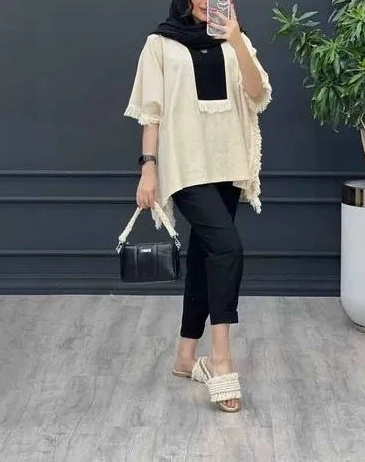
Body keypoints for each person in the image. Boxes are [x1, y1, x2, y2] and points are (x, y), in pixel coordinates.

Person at [124, 0, 272, 412]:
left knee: (206, 256)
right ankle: (220, 359)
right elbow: (151, 114)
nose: (208, 1)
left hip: (226, 161)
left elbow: (257, 93)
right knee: (227, 248)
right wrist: (148, 168)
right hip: (185, 165)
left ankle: (185, 356)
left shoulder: (234, 39)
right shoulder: (160, 43)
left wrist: (236, 39)